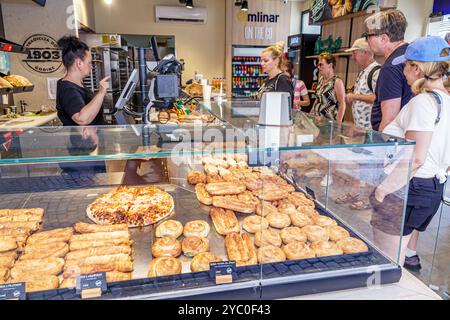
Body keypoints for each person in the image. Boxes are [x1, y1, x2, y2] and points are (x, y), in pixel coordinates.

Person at [370, 36, 450, 268]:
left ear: (417, 68)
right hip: (432, 186)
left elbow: (415, 157)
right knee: (399, 257)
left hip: (406, 187)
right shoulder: (445, 101)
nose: (403, 70)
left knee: (385, 263)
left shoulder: (423, 103)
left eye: (406, 65)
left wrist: (383, 190)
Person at [364, 9, 413, 131]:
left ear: (384, 39)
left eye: (368, 36)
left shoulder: (391, 67)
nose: (367, 41)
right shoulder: (410, 54)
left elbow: (389, 120)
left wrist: (381, 147)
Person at [56, 36, 110, 126]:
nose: (91, 66)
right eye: (89, 62)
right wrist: (101, 92)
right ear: (79, 63)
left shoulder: (77, 85)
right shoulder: (68, 89)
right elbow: (82, 119)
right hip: (81, 140)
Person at [345, 38, 380, 130]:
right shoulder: (363, 71)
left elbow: (378, 98)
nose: (352, 57)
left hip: (371, 130)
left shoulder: (376, 72)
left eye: (354, 53)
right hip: (360, 129)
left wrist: (354, 97)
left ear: (365, 52)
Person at [311, 52, 346, 125]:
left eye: (321, 64)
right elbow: (318, 99)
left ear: (330, 65)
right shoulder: (321, 79)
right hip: (317, 122)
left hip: (329, 124)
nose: (318, 67)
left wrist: (338, 125)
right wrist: (311, 114)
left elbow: (342, 104)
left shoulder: (337, 82)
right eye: (318, 64)